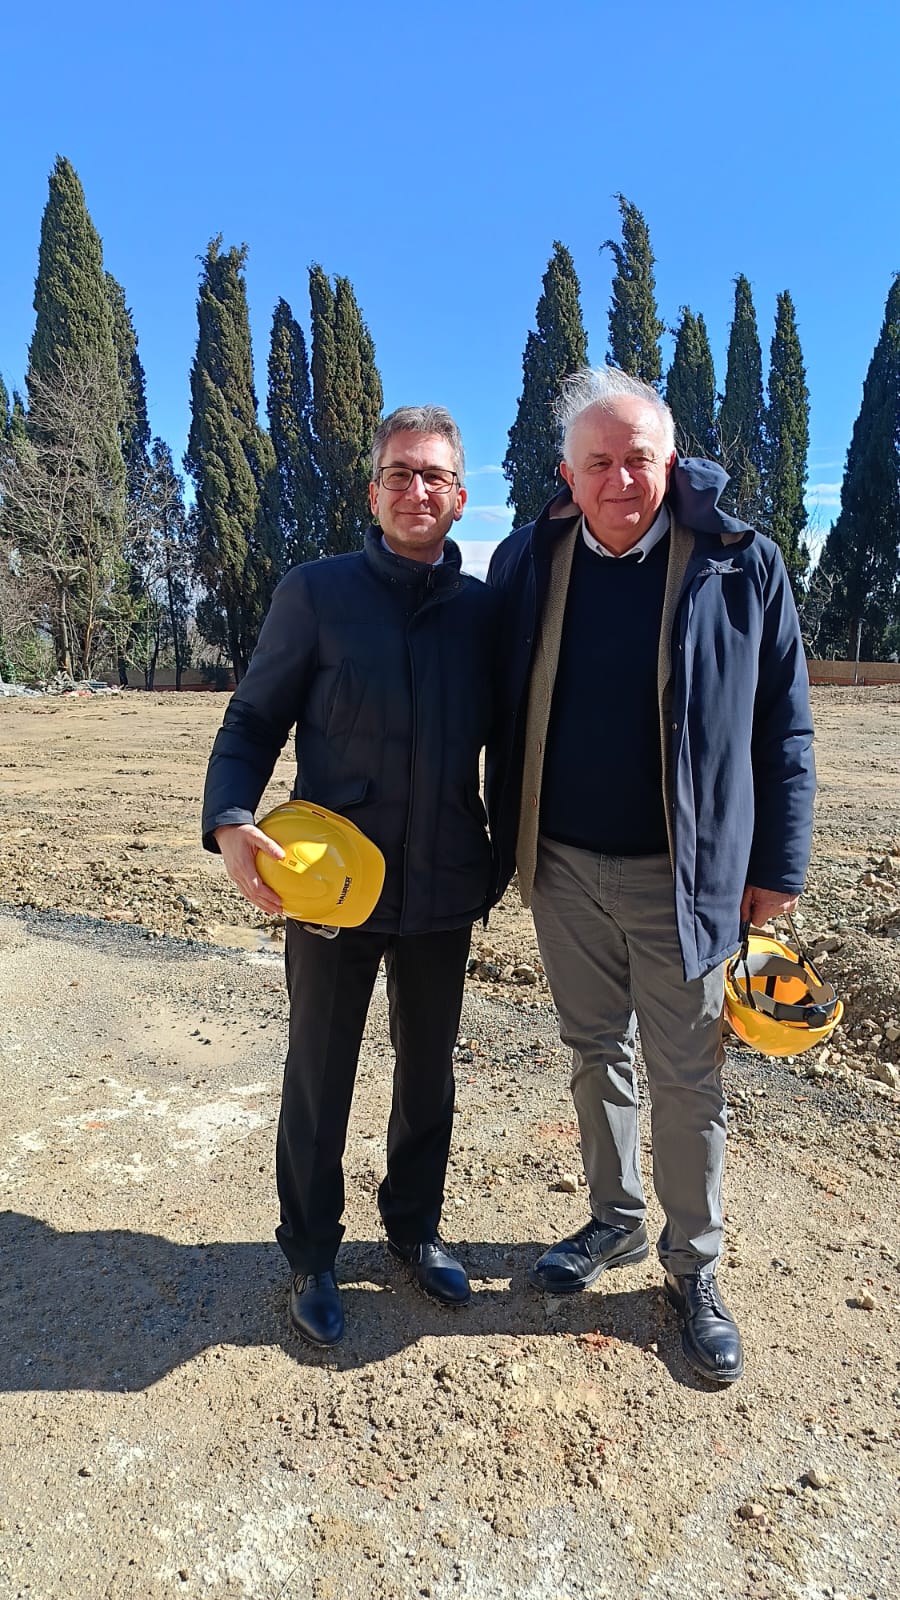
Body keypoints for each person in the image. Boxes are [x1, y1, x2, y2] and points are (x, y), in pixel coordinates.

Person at [486, 366, 815, 1384]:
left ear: (668, 464)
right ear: (567, 474)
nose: (620, 478)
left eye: (638, 458)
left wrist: (779, 870)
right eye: (599, 462)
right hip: (560, 867)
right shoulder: (529, 559)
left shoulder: (738, 562)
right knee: (593, 1054)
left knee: (688, 1078)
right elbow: (476, 691)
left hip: (690, 882)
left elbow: (785, 729)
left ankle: (693, 1267)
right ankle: (616, 1220)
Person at [202, 405, 498, 1347]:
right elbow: (252, 722)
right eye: (400, 474)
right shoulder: (316, 593)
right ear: (373, 493)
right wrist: (232, 818)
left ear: (459, 497)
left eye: (435, 477)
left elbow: (525, 743)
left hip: (445, 880)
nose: (418, 491)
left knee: (429, 1074)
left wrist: (509, 855)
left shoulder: (486, 614)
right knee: (320, 1071)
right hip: (329, 886)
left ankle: (414, 1229)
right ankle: (311, 1253)